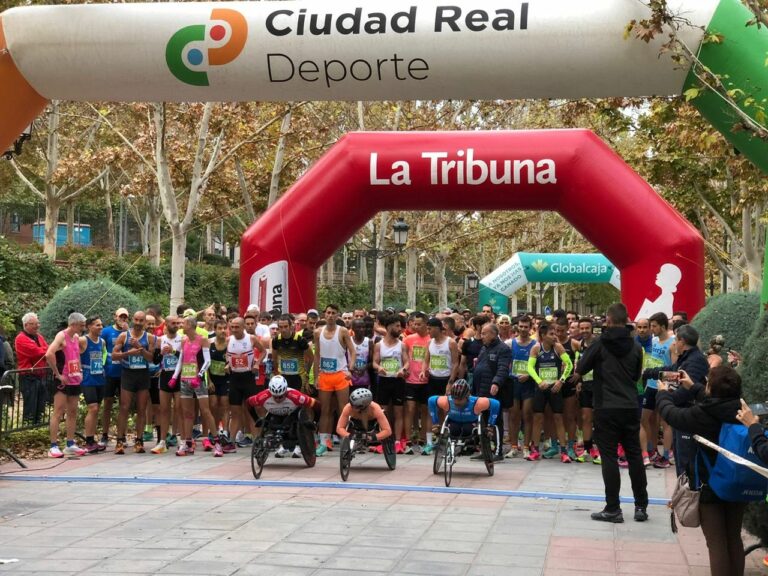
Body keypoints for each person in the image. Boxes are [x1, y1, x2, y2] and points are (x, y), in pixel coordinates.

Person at [657, 366, 745, 576]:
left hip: (710, 483)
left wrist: (662, 394)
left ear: (711, 388)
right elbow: (718, 402)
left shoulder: (702, 414)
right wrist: (694, 387)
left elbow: (672, 415)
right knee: (733, 537)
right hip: (737, 481)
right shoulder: (742, 410)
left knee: (716, 542)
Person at [572, 303, 648, 524]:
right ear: (626, 320)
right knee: (634, 456)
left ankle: (613, 508)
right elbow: (636, 375)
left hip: (606, 406)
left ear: (608, 320)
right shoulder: (636, 346)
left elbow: (581, 368)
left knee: (609, 457)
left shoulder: (600, 343)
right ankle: (641, 506)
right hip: (629, 405)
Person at [643, 323, 709, 476]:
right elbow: (670, 372)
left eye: (675, 340)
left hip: (689, 416)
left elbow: (687, 391)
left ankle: (687, 489)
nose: (673, 344)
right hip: (682, 414)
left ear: (682, 342)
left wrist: (665, 397)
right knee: (681, 458)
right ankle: (682, 488)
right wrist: (647, 372)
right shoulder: (686, 358)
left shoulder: (695, 360)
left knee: (686, 461)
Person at [169, 316, 220, 457]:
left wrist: (199, 375)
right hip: (185, 379)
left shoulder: (202, 340)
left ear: (190, 325)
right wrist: (174, 377)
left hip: (198, 381)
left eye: (183, 323)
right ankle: (187, 443)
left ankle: (217, 442)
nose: (181, 326)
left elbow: (207, 361)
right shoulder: (184, 340)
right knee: (187, 413)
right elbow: (181, 360)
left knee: (205, 411)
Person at [527, 321, 573, 463]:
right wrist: (539, 381)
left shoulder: (558, 347)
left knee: (558, 418)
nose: (555, 336)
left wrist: (561, 381)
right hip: (541, 389)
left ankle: (564, 451)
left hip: (555, 388)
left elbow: (569, 365)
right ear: (543, 335)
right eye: (551, 334)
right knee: (537, 418)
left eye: (555, 333)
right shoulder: (536, 348)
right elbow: (530, 368)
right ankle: (535, 450)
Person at [112, 311, 157, 454]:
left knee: (141, 408)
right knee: (124, 407)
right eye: (136, 320)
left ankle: (139, 440)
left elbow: (151, 358)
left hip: (143, 374)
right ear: (133, 319)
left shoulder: (149, 337)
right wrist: (127, 353)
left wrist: (140, 348)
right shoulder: (124, 336)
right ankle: (120, 440)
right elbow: (113, 355)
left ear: (144, 322)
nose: (138, 323)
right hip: (128, 374)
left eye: (141, 320)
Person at [45, 312, 87, 457]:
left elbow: (76, 355)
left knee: (73, 411)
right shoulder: (61, 336)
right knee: (58, 411)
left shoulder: (76, 337)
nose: (83, 328)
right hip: (63, 379)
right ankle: (53, 446)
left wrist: (80, 370)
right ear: (73, 324)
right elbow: (49, 354)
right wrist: (57, 374)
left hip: (74, 378)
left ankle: (70, 444)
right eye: (81, 325)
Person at [246, 375, 318, 459]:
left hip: (292, 414)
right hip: (275, 414)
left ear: (285, 392)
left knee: (289, 425)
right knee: (273, 424)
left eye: (280, 396)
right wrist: (256, 419)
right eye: (274, 397)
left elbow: (317, 405)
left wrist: (315, 422)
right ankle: (283, 446)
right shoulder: (263, 396)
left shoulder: (296, 396)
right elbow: (248, 403)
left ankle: (298, 445)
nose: (277, 399)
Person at [471, 322, 510, 460]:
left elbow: (503, 368)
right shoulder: (484, 348)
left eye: (484, 334)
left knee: (496, 421)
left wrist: (496, 382)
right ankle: (485, 450)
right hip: (480, 390)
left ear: (493, 334)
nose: (481, 336)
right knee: (482, 420)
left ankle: (498, 452)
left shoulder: (503, 349)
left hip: (493, 391)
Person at [427, 379, 500, 441]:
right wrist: (435, 423)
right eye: (455, 398)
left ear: (467, 396)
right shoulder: (447, 401)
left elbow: (496, 404)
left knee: (467, 429)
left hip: (471, 424)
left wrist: (490, 425)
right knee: (454, 430)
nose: (457, 402)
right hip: (454, 423)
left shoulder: (477, 402)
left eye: (460, 399)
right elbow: (431, 400)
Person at [506, 315, 536, 459]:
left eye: (526, 327)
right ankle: (513, 447)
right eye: (521, 326)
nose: (523, 329)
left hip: (529, 384)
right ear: (517, 327)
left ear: (530, 328)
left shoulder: (535, 345)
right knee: (513, 416)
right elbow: (505, 362)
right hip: (514, 382)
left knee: (527, 414)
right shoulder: (510, 343)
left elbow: (538, 365)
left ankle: (526, 447)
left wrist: (529, 375)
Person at [100, 307, 128, 447]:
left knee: (124, 405)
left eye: (125, 317)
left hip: (124, 373)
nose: (122, 319)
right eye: (120, 316)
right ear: (115, 317)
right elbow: (99, 348)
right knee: (107, 404)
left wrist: (127, 333)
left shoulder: (129, 332)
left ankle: (122, 435)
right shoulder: (106, 331)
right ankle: (104, 434)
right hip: (109, 372)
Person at [15, 312, 49, 425]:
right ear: (26, 325)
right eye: (34, 324)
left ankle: (38, 426)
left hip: (40, 375)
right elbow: (36, 352)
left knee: (41, 404)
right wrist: (45, 350)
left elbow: (46, 349)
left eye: (38, 323)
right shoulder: (21, 338)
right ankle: (28, 427)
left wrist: (45, 350)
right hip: (28, 376)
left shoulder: (39, 337)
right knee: (30, 405)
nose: (37, 326)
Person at [79, 316, 107, 453]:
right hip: (87, 378)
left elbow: (103, 356)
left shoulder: (102, 342)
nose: (100, 327)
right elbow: (70, 348)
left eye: (101, 324)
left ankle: (92, 439)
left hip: (99, 378)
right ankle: (88, 441)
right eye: (97, 325)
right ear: (89, 326)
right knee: (93, 408)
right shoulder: (83, 340)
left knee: (96, 409)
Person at [272, 314, 313, 393]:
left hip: (299, 377)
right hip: (283, 377)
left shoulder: (300, 340)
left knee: (298, 399)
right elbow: (274, 358)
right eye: (281, 327)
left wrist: (307, 373)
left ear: (291, 326)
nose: (283, 330)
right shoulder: (276, 340)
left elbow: (311, 357)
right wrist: (276, 372)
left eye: (285, 326)